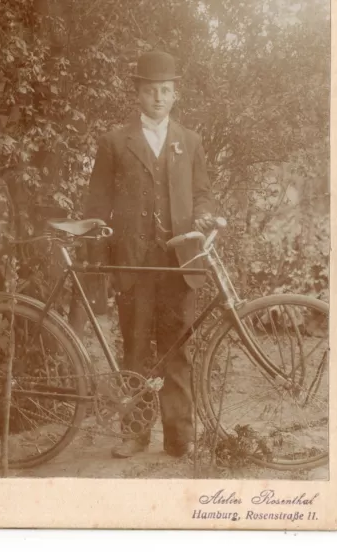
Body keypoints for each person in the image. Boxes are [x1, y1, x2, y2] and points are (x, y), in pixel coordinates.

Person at [84, 50, 215, 458]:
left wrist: (207, 215)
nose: (159, 97)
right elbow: (97, 201)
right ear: (137, 95)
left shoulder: (189, 141)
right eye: (150, 90)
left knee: (177, 350)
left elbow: (203, 193)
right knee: (136, 349)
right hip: (133, 262)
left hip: (179, 261)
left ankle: (180, 438)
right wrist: (99, 251)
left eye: (166, 91)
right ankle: (135, 433)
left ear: (175, 95)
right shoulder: (114, 142)